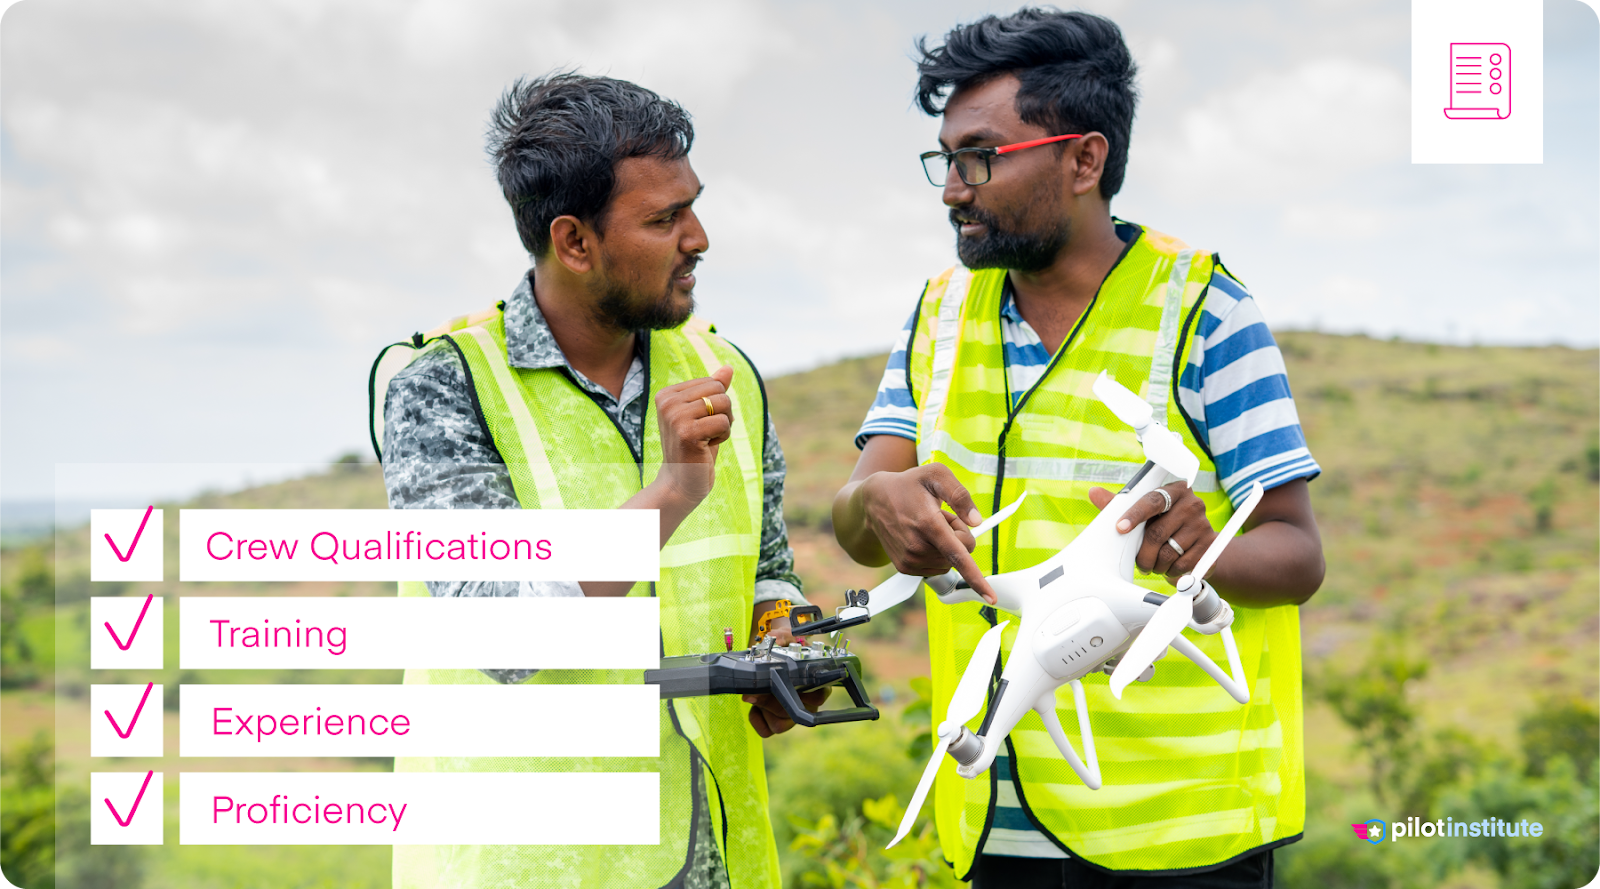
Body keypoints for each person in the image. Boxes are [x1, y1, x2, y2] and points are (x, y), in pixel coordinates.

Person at [831, 10, 1325, 888]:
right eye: (945, 159)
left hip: (1180, 828)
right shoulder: (940, 313)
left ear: (1083, 159)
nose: (953, 187)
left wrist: (1204, 554)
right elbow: (857, 515)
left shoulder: (1205, 307)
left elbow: (1296, 552)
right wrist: (880, 502)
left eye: (980, 156)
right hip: (991, 816)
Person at [374, 72, 814, 889]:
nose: (699, 236)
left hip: (714, 848)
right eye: (663, 218)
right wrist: (671, 494)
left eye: (693, 204)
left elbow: (764, 562)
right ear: (574, 242)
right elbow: (500, 633)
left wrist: (780, 632)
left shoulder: (729, 374)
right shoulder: (442, 386)